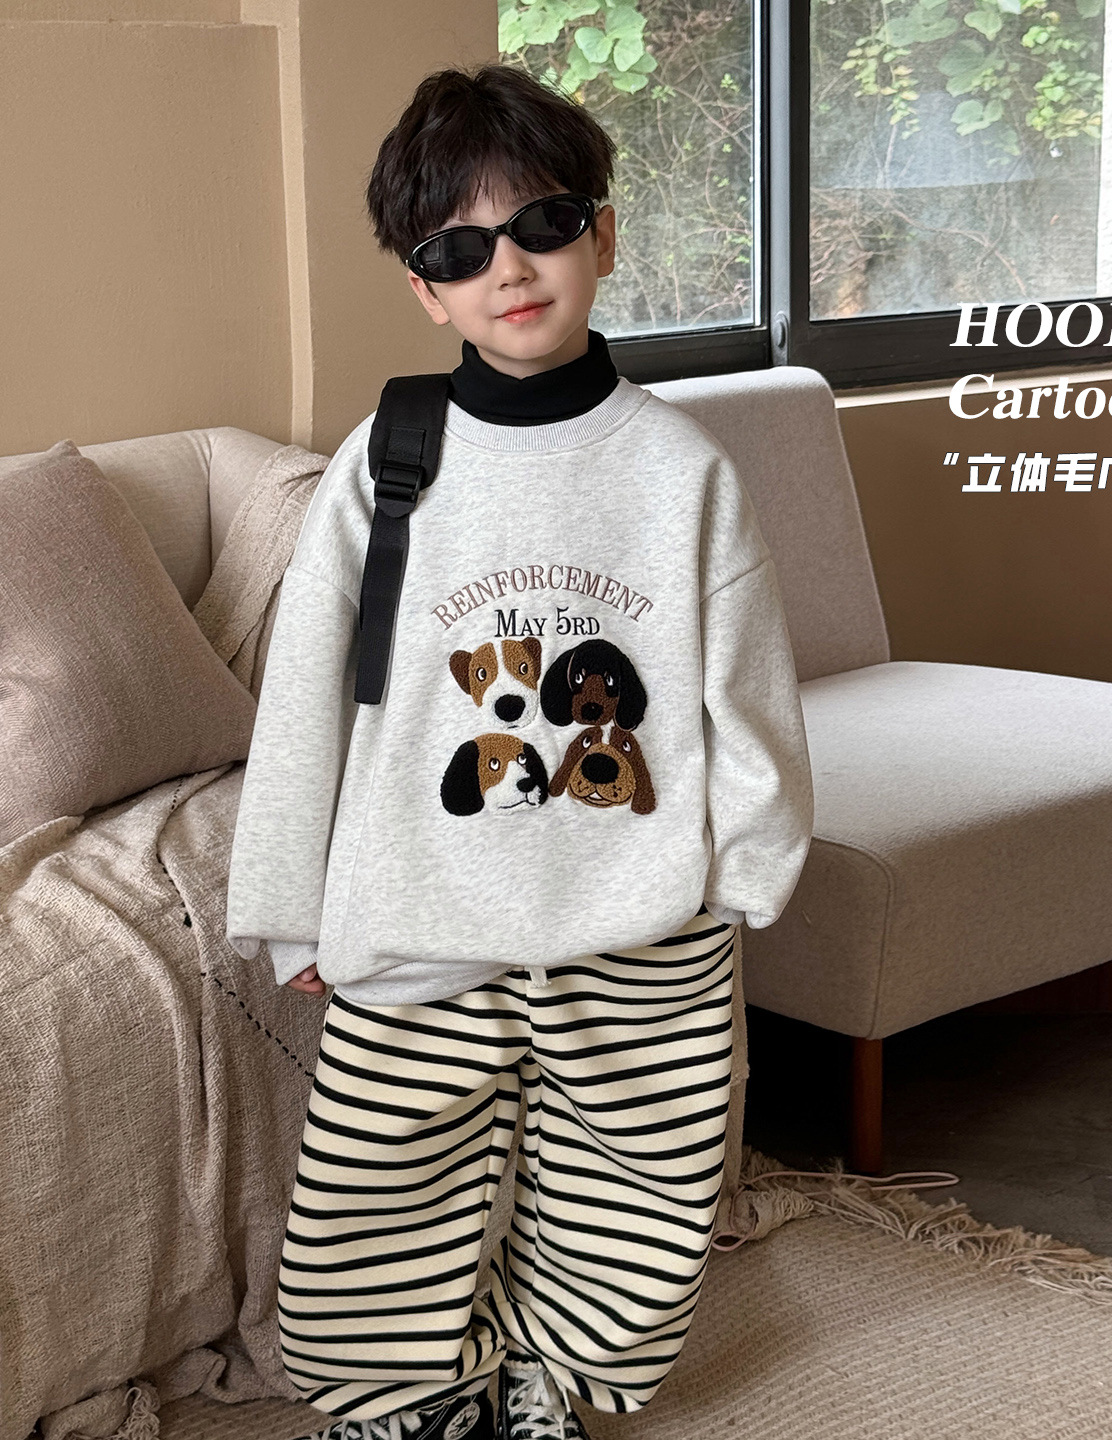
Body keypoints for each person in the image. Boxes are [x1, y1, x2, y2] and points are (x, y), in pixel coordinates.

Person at [226, 63, 813, 1440]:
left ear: (601, 234)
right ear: (425, 289)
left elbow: (747, 692)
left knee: (638, 1194)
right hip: (423, 901)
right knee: (376, 1189)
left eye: (542, 223)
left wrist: (747, 873)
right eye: (459, 249)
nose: (510, 266)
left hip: (642, 918)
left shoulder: (683, 470)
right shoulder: (390, 457)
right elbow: (308, 692)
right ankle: (404, 1399)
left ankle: (552, 1381)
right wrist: (289, 904)